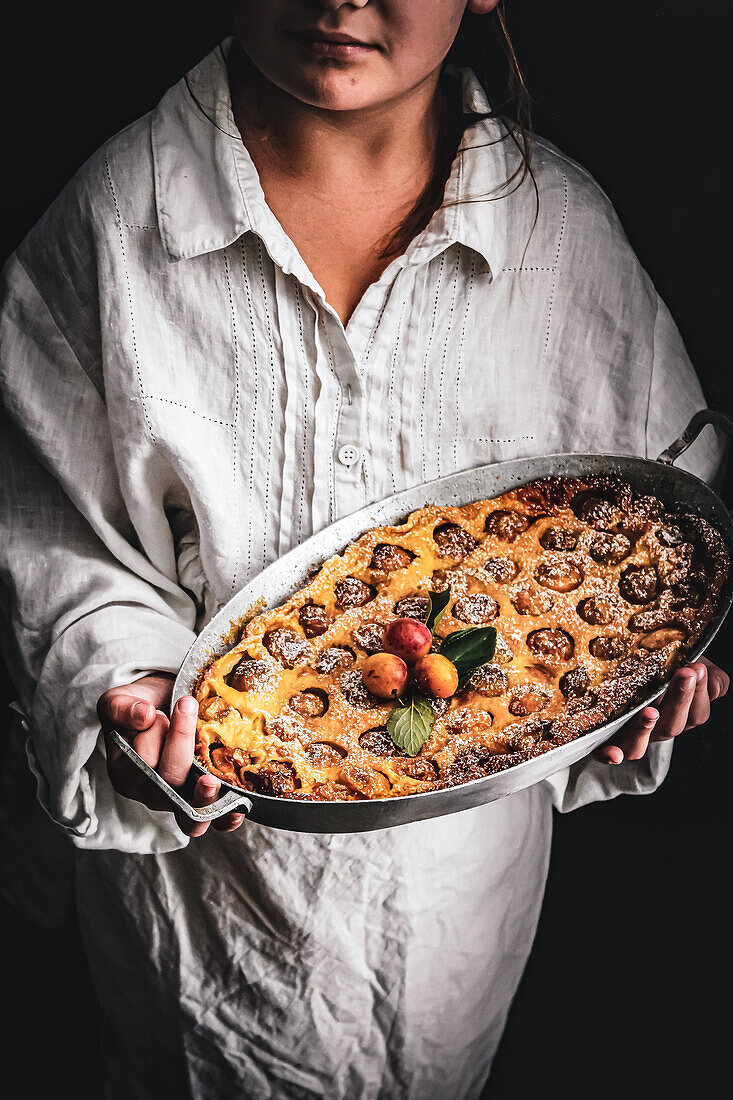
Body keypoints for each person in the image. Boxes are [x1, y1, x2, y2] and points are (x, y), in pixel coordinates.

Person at [0, 2, 729, 1097]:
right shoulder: (113, 222)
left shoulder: (559, 235)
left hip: (451, 917)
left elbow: (648, 527)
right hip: (200, 923)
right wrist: (133, 680)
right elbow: (55, 538)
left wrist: (648, 676)